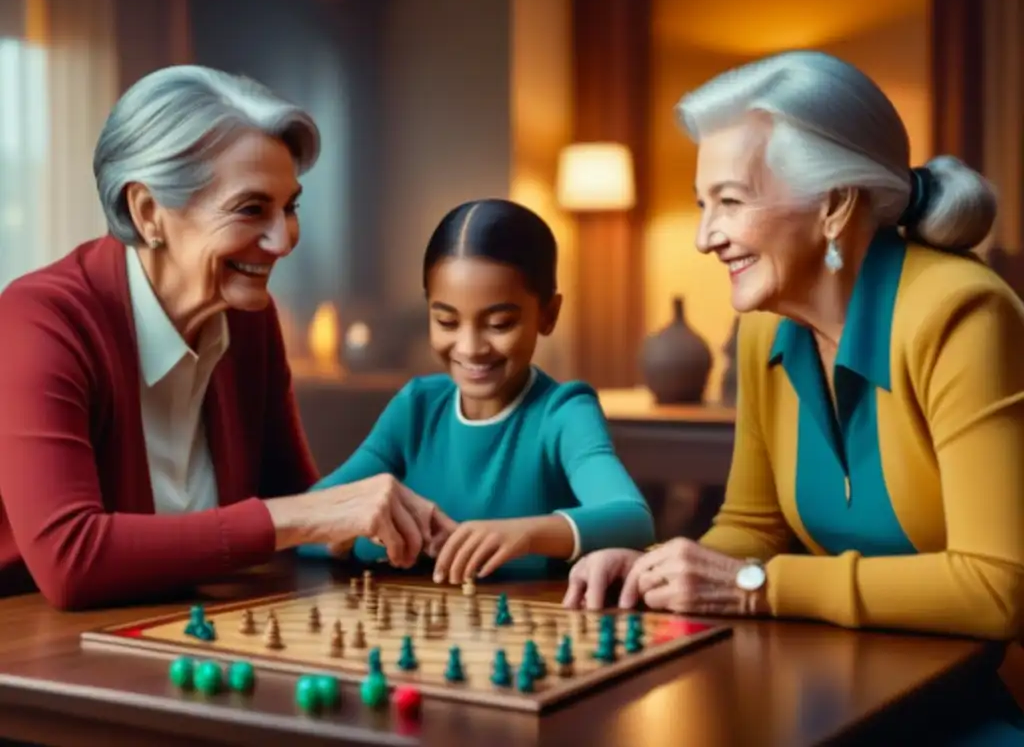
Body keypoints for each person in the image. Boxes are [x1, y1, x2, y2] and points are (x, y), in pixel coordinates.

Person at [562, 51, 1024, 740]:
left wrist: (761, 589)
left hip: (949, 715)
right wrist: (661, 571)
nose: (704, 236)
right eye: (701, 205)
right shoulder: (762, 334)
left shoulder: (963, 314)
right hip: (821, 701)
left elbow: (998, 588)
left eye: (730, 201)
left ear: (834, 205)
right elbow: (753, 528)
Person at [0, 65, 452, 611]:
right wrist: (316, 514)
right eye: (250, 209)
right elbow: (71, 561)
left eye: (290, 207)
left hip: (187, 631)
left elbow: (292, 509)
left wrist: (388, 521)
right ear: (148, 213)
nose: (283, 239)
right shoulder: (39, 321)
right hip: (33, 650)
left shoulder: (249, 318)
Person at [301, 198, 656, 581]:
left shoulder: (564, 412)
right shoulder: (417, 407)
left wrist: (524, 533)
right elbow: (302, 518)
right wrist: (343, 534)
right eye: (447, 321)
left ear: (548, 314)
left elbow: (632, 518)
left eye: (500, 323)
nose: (470, 348)